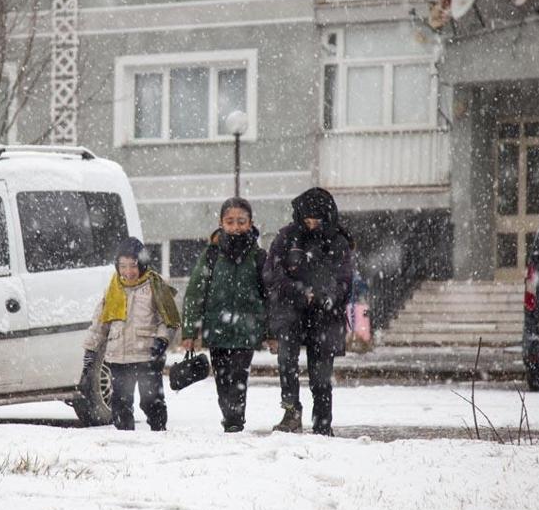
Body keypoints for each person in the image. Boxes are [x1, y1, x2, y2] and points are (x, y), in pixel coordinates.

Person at [263, 187, 352, 436]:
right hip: (291, 313)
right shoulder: (287, 237)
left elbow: (344, 279)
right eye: (307, 216)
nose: (311, 222)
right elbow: (272, 272)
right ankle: (291, 412)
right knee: (287, 365)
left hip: (326, 316)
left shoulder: (338, 241)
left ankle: (323, 422)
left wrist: (325, 296)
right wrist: (299, 292)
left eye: (317, 216)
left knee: (321, 374)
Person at [181, 197, 269, 433]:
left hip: (246, 330)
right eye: (230, 221)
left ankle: (235, 420)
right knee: (222, 380)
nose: (236, 226)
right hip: (217, 329)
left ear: (250, 223)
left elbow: (270, 296)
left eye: (241, 221)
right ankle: (229, 415)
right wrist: (189, 331)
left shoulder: (259, 257)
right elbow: (194, 293)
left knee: (239, 377)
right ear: (221, 223)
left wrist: (271, 332)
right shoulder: (211, 255)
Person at [82, 237, 180, 431]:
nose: (128, 272)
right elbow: (100, 324)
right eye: (122, 266)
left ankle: (159, 432)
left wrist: (161, 340)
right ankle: (125, 438)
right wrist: (90, 351)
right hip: (119, 357)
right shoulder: (113, 289)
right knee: (120, 403)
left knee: (151, 401)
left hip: (148, 356)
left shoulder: (154, 286)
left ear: (142, 265)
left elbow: (168, 320)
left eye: (133, 266)